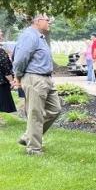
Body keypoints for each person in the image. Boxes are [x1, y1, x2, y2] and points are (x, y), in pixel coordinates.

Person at [12, 14, 60, 154]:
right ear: (38, 21)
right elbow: (20, 58)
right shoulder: (30, 36)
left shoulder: (40, 37)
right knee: (36, 114)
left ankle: (28, 136)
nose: (49, 22)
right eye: (47, 20)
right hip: (34, 78)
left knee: (55, 109)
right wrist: (18, 76)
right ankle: (34, 148)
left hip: (46, 79)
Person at [0, 30, 16, 113]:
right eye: (0, 32)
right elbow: (5, 68)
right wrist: (11, 81)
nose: (2, 33)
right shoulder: (1, 52)